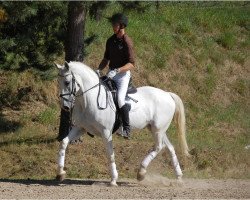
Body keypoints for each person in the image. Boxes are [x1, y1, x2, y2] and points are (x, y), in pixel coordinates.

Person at [96, 13, 135, 139]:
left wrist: (118, 70)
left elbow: (132, 64)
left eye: (115, 24)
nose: (113, 26)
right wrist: (98, 69)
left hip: (123, 75)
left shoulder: (127, 42)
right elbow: (106, 59)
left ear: (121, 25)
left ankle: (127, 128)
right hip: (111, 73)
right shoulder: (110, 40)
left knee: (119, 99)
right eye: (113, 24)